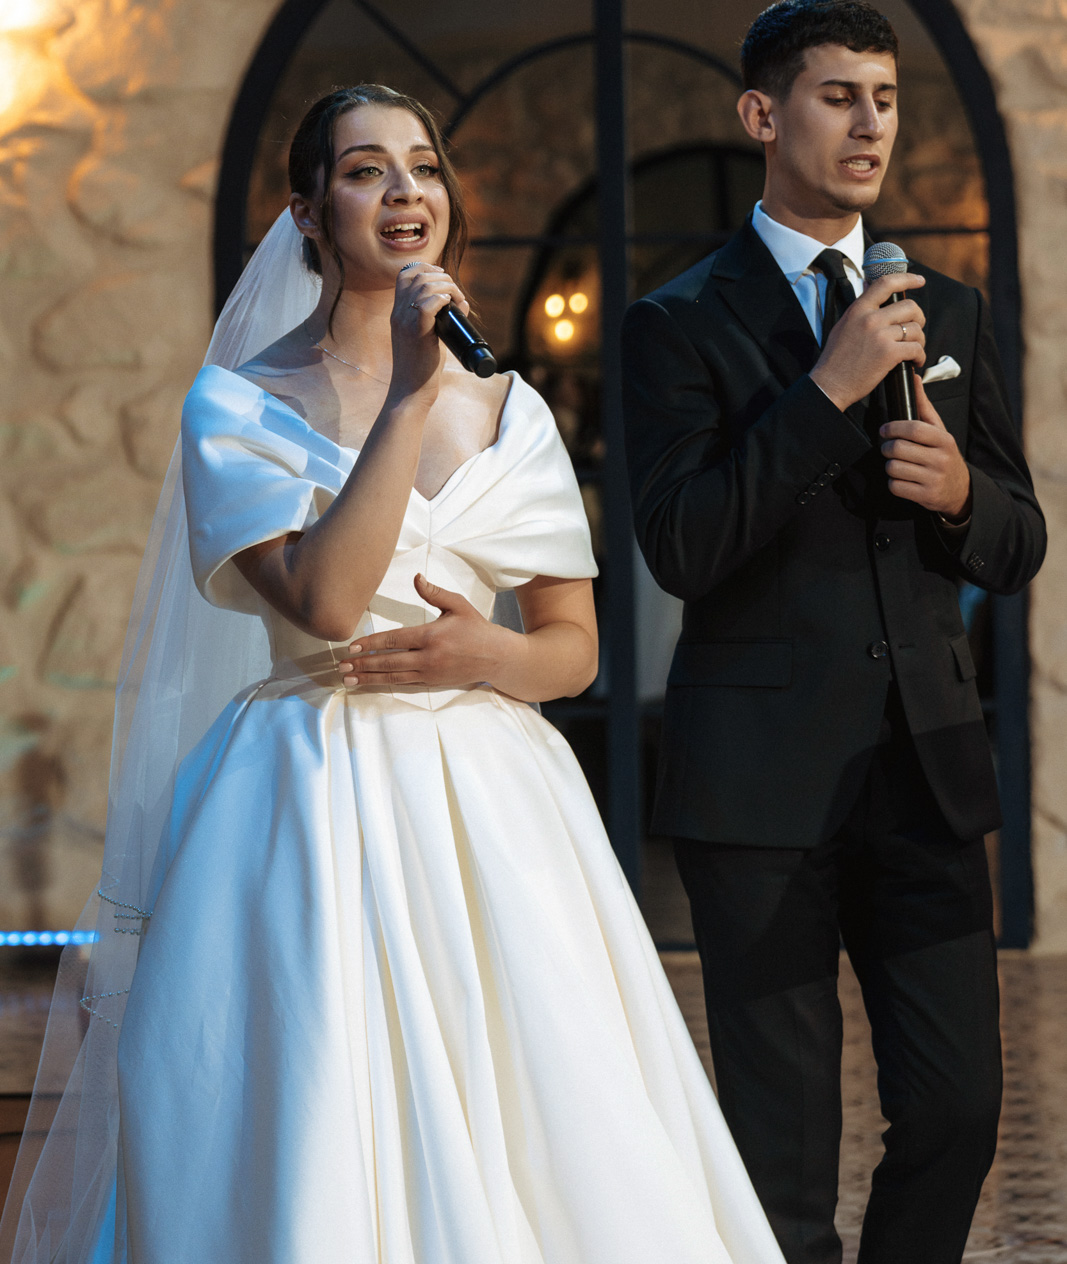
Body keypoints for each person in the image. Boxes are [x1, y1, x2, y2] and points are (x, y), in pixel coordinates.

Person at [2, 84, 785, 1264]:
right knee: (315, 1096)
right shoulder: (238, 403)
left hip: (489, 798)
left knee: (544, 1104)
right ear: (308, 211)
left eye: (423, 166)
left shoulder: (510, 405)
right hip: (305, 787)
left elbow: (570, 644)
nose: (405, 191)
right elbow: (322, 598)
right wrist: (411, 396)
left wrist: (492, 654)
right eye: (366, 170)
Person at [621, 0, 1046, 1264]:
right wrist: (824, 392)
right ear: (761, 114)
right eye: (836, 96)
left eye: (885, 99)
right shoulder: (673, 321)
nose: (869, 124)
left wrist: (961, 496)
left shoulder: (946, 308)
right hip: (758, 789)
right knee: (781, 1157)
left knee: (959, 1110)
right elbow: (681, 544)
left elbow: (1018, 538)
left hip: (922, 770)